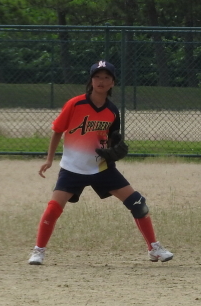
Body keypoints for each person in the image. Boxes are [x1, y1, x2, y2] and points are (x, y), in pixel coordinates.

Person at [28, 60, 173, 265]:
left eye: (106, 77)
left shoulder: (112, 111)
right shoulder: (75, 104)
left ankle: (154, 249)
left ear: (112, 82)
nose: (101, 81)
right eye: (97, 77)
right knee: (53, 209)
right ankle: (38, 251)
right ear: (91, 80)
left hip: (101, 167)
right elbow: (57, 130)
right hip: (73, 168)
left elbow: (112, 139)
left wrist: (115, 149)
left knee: (138, 204)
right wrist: (50, 159)